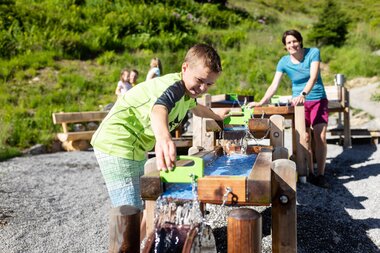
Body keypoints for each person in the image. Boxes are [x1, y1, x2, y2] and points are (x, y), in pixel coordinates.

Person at [91, 43, 230, 244]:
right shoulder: (172, 87)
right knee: (130, 212)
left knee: (147, 204)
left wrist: (217, 116)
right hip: (117, 144)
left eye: (209, 84)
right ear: (184, 68)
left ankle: (142, 245)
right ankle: (129, 247)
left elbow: (197, 108)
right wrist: (164, 138)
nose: (202, 88)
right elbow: (159, 109)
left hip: (133, 147)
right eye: (199, 81)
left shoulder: (186, 93)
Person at [248, 29, 329, 188]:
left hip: (317, 98)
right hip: (298, 104)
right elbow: (274, 85)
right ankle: (309, 172)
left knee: (320, 136)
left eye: (294, 41)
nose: (292, 45)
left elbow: (313, 76)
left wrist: (304, 94)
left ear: (300, 41)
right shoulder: (284, 62)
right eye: (288, 43)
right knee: (305, 137)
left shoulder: (313, 53)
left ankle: (321, 174)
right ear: (285, 46)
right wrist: (261, 102)